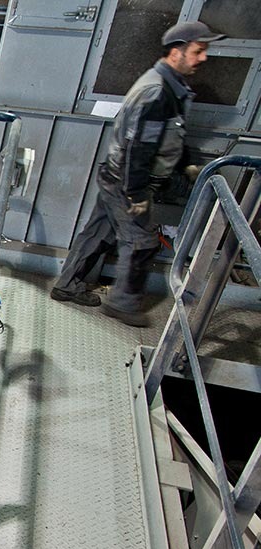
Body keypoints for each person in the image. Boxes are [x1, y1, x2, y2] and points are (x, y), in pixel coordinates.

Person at [50, 20, 223, 326]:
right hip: (126, 182)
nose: (203, 58)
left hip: (118, 177)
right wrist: (138, 194)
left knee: (99, 232)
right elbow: (139, 148)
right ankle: (123, 305)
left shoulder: (170, 86)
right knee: (142, 242)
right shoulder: (156, 92)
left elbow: (170, 135)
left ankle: (66, 286)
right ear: (176, 51)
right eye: (199, 51)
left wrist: (186, 164)